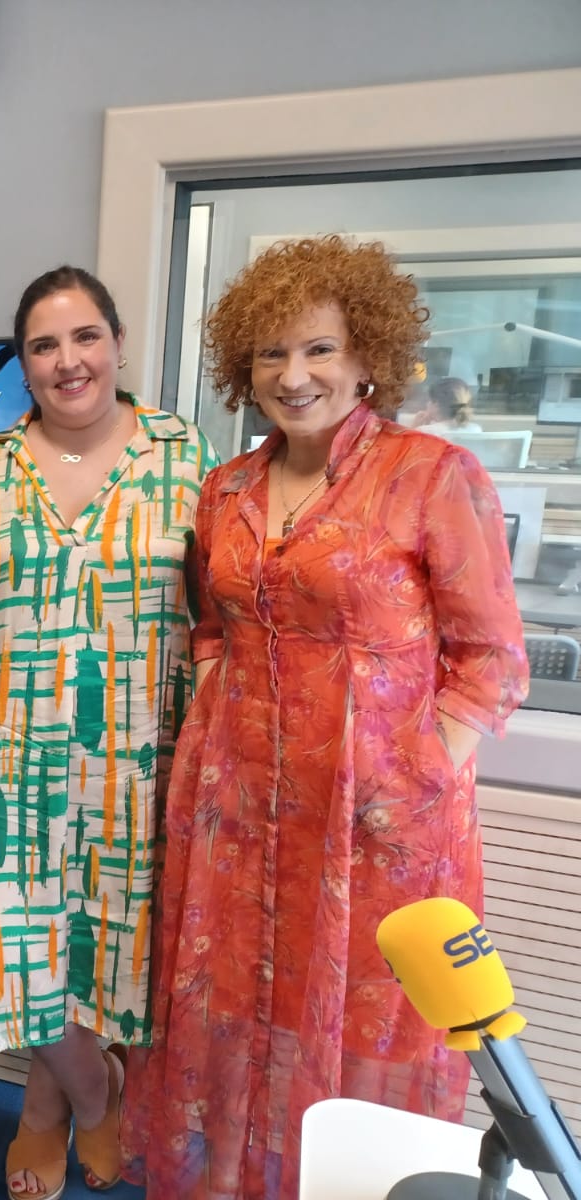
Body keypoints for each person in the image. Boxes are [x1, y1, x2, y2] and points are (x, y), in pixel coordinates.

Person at [122, 236, 530, 1200]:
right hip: (240, 810)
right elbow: (213, 629)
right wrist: (208, 754)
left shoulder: (433, 475)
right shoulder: (224, 489)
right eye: (270, 354)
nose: (293, 375)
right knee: (234, 1011)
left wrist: (417, 777)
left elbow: (491, 659)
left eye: (317, 349)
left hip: (377, 820)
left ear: (365, 357)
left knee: (357, 1028)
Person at [0, 266, 216, 1200]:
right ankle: (93, 1091)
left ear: (117, 344)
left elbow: (220, 612)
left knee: (99, 954)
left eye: (84, 337)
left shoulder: (184, 457)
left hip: (138, 761)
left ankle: (39, 1113)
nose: (67, 360)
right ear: (25, 365)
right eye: (44, 345)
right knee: (0, 943)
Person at [418, 376, 483, 433]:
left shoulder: (425, 431)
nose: (427, 404)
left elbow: (410, 445)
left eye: (429, 400)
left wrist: (415, 426)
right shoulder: (476, 429)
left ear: (436, 405)